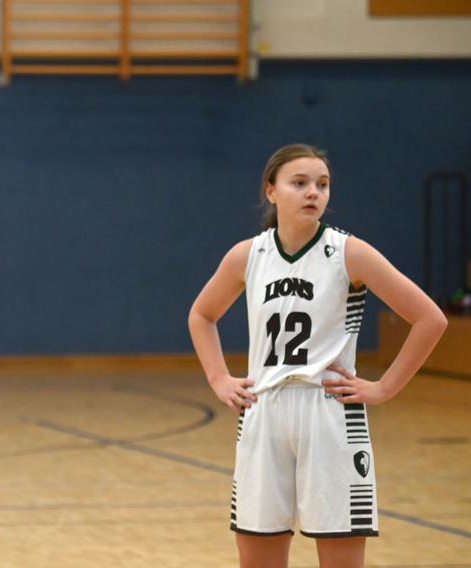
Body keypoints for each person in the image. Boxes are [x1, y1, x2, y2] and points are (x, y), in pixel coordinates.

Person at [188, 144, 447, 568]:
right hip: (264, 409)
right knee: (257, 557)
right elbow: (202, 314)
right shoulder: (248, 255)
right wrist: (219, 378)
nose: (314, 192)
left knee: (341, 557)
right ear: (271, 191)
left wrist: (384, 388)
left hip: (328, 412)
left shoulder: (349, 253)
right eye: (300, 183)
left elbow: (429, 319)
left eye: (322, 184)